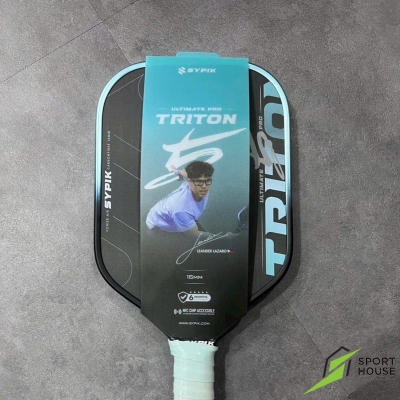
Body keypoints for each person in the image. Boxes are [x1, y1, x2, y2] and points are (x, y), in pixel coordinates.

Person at [146, 161, 214, 236]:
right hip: (157, 226)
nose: (204, 186)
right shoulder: (181, 209)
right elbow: (195, 235)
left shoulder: (196, 183)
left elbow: (184, 172)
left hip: (175, 216)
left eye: (208, 180)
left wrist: (177, 171)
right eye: (199, 182)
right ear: (189, 181)